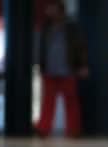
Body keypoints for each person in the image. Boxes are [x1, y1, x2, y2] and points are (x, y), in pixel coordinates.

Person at [35, 0, 88, 138]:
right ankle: (44, 129)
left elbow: (80, 47)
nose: (48, 11)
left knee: (71, 102)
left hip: (68, 70)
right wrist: (41, 65)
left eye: (51, 8)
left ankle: (74, 130)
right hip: (49, 70)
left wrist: (82, 65)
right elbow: (41, 49)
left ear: (59, 10)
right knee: (48, 102)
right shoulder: (46, 27)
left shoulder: (71, 28)